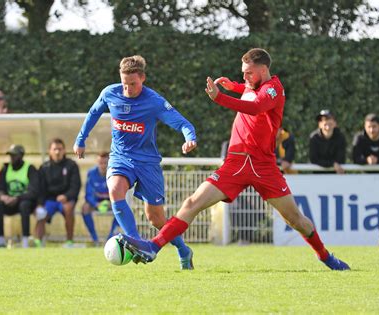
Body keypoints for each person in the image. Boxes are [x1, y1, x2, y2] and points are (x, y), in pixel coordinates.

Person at [119, 48, 350, 271]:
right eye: (243, 73)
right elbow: (248, 91)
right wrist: (236, 86)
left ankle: (325, 256)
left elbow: (256, 106)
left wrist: (221, 97)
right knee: (192, 203)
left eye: (248, 72)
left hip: (263, 166)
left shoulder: (274, 89)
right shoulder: (251, 83)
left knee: (296, 220)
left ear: (263, 70)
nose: (245, 76)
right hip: (236, 162)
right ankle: (153, 247)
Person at [73, 55, 197, 269]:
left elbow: (182, 122)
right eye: (124, 84)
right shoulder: (110, 93)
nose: (128, 89)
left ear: (143, 78)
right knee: (115, 190)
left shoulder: (154, 101)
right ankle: (135, 242)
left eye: (133, 84)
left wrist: (189, 138)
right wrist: (80, 139)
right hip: (120, 157)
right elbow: (93, 113)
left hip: (147, 163)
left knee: (156, 219)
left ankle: (183, 250)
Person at [0, 144, 39, 248]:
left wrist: (17, 198)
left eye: (14, 155)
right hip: (9, 202)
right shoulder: (6, 169)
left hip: (24, 202)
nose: (11, 157)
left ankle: (25, 240)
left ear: (21, 156)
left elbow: (33, 191)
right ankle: (0, 240)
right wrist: (2, 196)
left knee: (24, 205)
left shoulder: (30, 168)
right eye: (10, 155)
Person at [35, 138, 81, 247]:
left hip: (66, 200)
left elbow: (76, 186)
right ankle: (37, 242)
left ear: (64, 150)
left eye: (60, 149)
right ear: (50, 151)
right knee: (40, 212)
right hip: (50, 200)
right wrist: (40, 204)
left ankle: (69, 241)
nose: (57, 152)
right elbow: (40, 188)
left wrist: (66, 196)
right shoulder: (44, 167)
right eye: (54, 149)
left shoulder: (71, 165)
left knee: (69, 209)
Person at [81, 151, 119, 245]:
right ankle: (95, 239)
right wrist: (95, 204)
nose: (103, 166)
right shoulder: (91, 173)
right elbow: (88, 193)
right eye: (100, 163)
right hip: (97, 202)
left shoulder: (115, 173)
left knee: (121, 208)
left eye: (105, 163)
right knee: (85, 208)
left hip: (111, 201)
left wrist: (112, 202)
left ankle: (110, 237)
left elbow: (119, 191)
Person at [309, 109, 346, 174]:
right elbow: (314, 159)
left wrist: (332, 164)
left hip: (336, 176)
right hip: (318, 176)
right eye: (322, 120)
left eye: (329, 118)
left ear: (335, 123)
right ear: (319, 124)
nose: (326, 122)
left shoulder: (340, 137)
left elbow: (341, 159)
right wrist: (332, 164)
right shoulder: (314, 138)